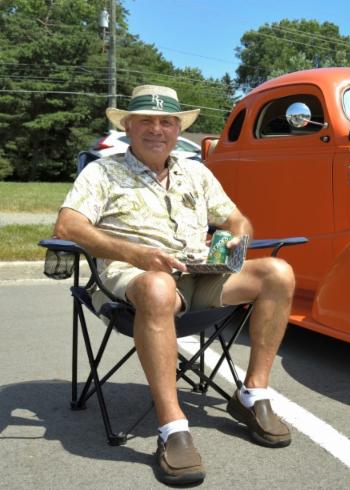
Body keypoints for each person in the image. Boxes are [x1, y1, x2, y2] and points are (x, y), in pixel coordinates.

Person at [53, 85, 295, 485]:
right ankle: (172, 426)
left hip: (197, 275)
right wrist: (136, 255)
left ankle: (253, 395)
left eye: (167, 122)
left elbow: (237, 219)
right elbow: (68, 225)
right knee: (158, 287)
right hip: (130, 279)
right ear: (128, 126)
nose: (157, 129)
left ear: (177, 129)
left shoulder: (196, 171)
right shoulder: (102, 171)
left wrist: (235, 240)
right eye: (146, 121)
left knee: (277, 273)